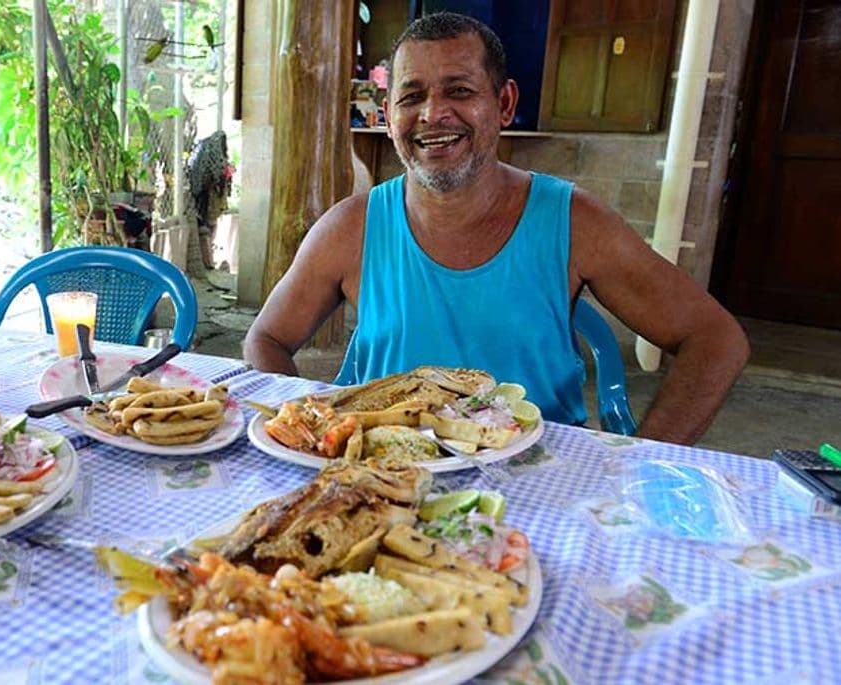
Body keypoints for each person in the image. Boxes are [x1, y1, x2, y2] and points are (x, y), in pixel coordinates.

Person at [243, 12, 749, 445]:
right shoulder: (351, 227)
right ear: (389, 113)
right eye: (411, 95)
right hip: (382, 483)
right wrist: (309, 437)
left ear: (504, 104)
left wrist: (644, 462)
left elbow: (715, 339)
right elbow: (266, 337)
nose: (433, 114)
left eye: (459, 91)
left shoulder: (573, 222)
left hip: (533, 484)